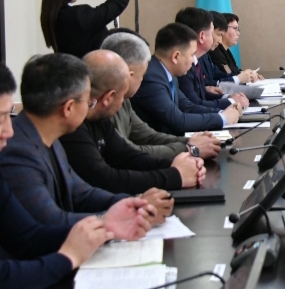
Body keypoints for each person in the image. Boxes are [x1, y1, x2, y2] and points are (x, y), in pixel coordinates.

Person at [0, 62, 152, 287]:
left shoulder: (49, 140)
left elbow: (28, 236)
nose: (8, 130)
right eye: (1, 118)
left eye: (8, 116)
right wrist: (68, 257)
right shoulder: (17, 152)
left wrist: (110, 222)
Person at [0, 56, 162, 227]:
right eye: (88, 101)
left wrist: (134, 203)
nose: (90, 105)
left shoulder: (49, 137)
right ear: (69, 108)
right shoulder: (18, 152)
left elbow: (80, 193)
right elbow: (49, 222)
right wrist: (111, 220)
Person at [60, 50, 204, 195]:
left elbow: (127, 156)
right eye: (123, 96)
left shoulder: (99, 119)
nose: (124, 102)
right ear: (109, 98)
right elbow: (105, 178)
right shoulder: (74, 127)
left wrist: (178, 165)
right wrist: (175, 176)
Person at [101, 31, 221, 160]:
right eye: (142, 74)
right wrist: (190, 148)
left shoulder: (124, 101)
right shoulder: (103, 109)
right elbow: (128, 153)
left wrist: (189, 142)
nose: (142, 79)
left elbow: (147, 136)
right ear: (129, 75)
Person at [131, 23, 242, 135]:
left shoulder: (167, 73)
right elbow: (179, 120)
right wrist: (223, 118)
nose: (193, 60)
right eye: (192, 55)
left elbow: (187, 106)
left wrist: (223, 112)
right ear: (176, 56)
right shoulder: (152, 79)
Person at [175, 8, 248, 110]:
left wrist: (227, 97)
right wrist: (231, 102)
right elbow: (192, 105)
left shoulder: (197, 60)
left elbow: (202, 93)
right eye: (213, 33)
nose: (220, 40)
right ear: (202, 36)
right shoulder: (184, 65)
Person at [204, 12, 262, 84]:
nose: (238, 33)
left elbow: (231, 72)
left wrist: (248, 75)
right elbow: (221, 77)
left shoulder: (226, 51)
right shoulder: (213, 52)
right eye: (235, 28)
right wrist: (239, 78)